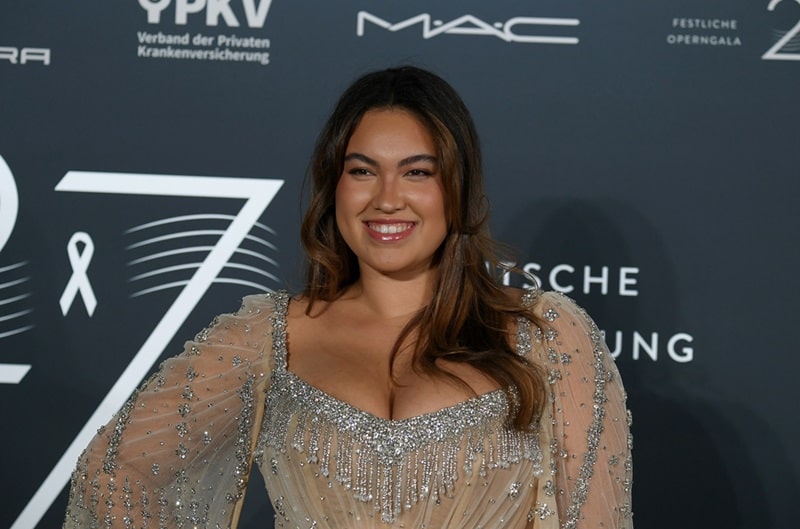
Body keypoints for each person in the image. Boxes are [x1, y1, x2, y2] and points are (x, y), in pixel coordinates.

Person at [63, 66, 632, 529]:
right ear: (333, 184)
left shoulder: (547, 336)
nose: (387, 198)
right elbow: (113, 471)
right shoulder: (271, 336)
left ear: (457, 188)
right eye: (363, 171)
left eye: (417, 172)